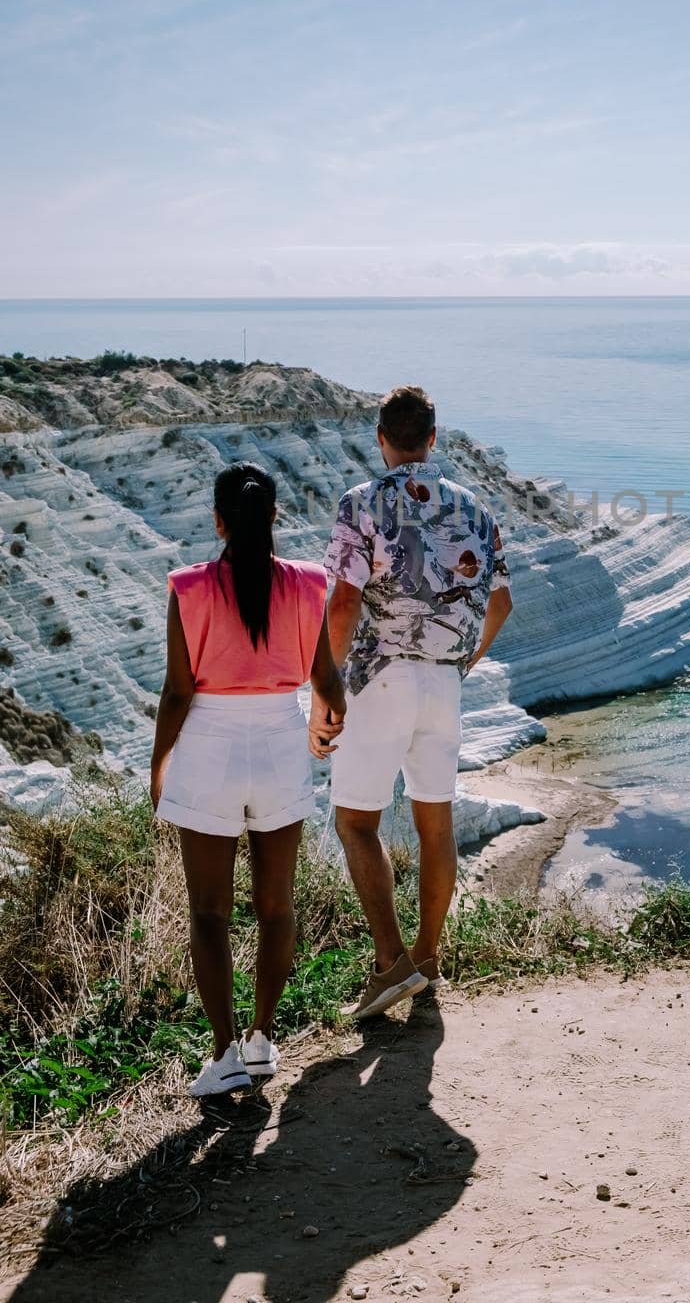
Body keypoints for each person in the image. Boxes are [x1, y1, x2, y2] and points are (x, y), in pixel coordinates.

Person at [150, 462, 346, 1096]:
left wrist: (160, 762)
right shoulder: (310, 585)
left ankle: (223, 1052)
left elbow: (179, 691)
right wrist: (323, 729)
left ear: (218, 522)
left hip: (209, 744)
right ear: (274, 518)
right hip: (280, 740)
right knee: (276, 905)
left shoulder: (188, 588)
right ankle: (263, 1039)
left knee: (208, 913)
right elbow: (326, 680)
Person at [325, 385, 513, 1019]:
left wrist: (326, 678)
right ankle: (428, 961)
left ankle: (390, 965)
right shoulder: (479, 511)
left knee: (356, 820)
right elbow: (502, 603)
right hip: (443, 683)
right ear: (433, 438)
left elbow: (345, 601)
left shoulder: (364, 502)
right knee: (437, 826)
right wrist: (465, 660)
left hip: (380, 676)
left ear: (382, 438)